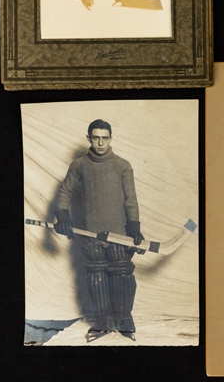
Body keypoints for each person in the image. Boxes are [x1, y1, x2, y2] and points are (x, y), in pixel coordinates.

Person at [54, 119, 144, 342]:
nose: (100, 142)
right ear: (89, 139)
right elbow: (65, 192)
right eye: (96, 138)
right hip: (89, 233)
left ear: (111, 138)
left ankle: (123, 319)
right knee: (97, 276)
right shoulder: (79, 165)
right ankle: (103, 321)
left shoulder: (122, 165)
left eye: (104, 138)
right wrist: (63, 215)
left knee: (122, 274)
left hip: (119, 234)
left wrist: (134, 227)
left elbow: (130, 199)